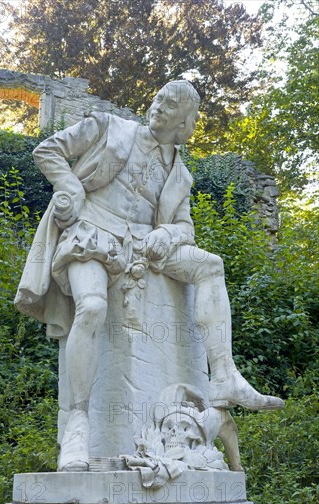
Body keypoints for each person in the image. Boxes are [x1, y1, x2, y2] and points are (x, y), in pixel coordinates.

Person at [15, 80, 284, 472]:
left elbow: (185, 227)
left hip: (143, 245)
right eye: (158, 97)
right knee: (91, 307)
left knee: (211, 265)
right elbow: (48, 149)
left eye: (171, 104)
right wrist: (70, 186)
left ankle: (224, 376)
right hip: (92, 232)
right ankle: (78, 424)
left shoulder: (180, 175)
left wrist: (167, 233)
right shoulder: (108, 126)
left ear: (185, 125)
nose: (158, 105)